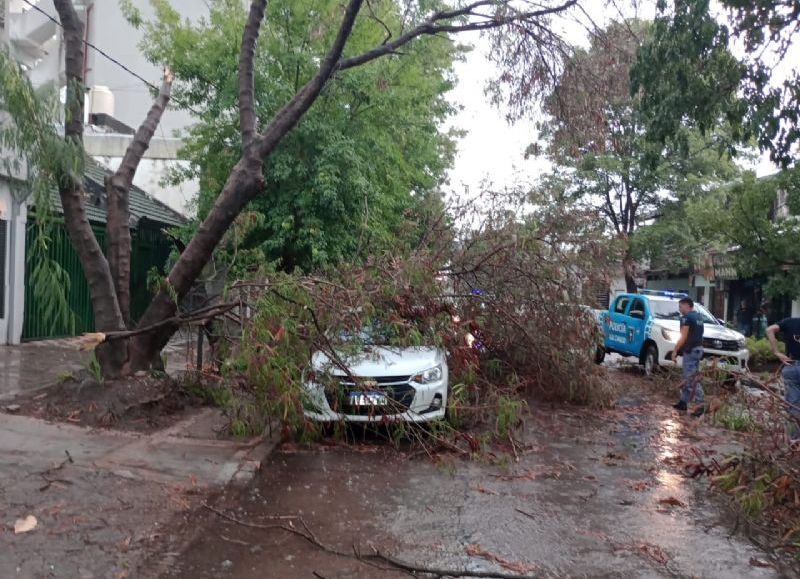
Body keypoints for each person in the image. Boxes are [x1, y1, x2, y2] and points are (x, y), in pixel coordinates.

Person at [766, 317, 800, 447]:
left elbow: (769, 329)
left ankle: (794, 441)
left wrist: (776, 352)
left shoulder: (790, 322)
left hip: (791, 366)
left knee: (793, 405)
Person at [671, 297, 705, 416]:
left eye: (681, 306)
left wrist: (675, 350)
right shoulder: (699, 317)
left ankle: (701, 405)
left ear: (687, 305)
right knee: (689, 376)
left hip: (691, 351)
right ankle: (683, 402)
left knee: (690, 379)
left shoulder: (687, 318)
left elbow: (683, 336)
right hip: (698, 349)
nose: (679, 309)